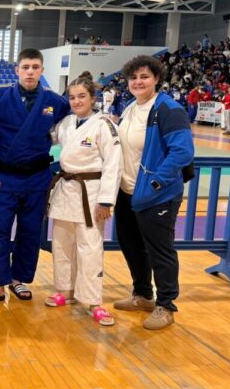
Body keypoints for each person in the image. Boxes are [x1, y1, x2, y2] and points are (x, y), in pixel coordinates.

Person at [0, 48, 70, 307]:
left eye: (35, 67)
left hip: (37, 177)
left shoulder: (55, 102)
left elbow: (72, 119)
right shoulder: (0, 95)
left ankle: (20, 278)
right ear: (17, 70)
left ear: (42, 71)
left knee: (30, 231)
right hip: (6, 176)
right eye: (26, 67)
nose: (30, 71)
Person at [113, 55, 194, 330]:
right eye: (134, 77)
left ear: (156, 78)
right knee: (132, 246)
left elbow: (182, 151)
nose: (138, 82)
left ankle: (166, 305)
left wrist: (157, 182)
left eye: (144, 76)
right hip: (127, 192)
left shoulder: (168, 110)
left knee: (160, 251)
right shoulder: (129, 108)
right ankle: (143, 295)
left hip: (157, 194)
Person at [46, 76, 122, 326]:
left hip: (91, 193)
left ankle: (93, 301)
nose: (77, 101)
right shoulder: (66, 123)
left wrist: (106, 201)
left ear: (93, 98)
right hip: (66, 191)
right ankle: (65, 291)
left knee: (90, 249)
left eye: (82, 96)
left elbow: (113, 164)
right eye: (72, 97)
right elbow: (47, 136)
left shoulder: (104, 125)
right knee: (62, 245)